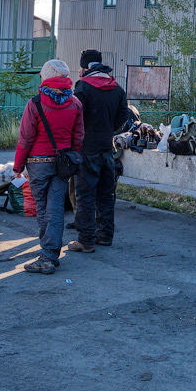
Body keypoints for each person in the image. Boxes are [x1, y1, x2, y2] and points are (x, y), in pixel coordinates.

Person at [12, 59, 84, 275]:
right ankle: (51, 253)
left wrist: (17, 165)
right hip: (63, 163)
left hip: (38, 163)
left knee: (43, 208)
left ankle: (48, 256)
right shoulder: (75, 103)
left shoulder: (35, 103)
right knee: (56, 209)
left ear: (45, 77)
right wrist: (70, 154)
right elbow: (79, 136)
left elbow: (25, 138)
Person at [68, 49, 131, 253]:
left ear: (85, 67)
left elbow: (75, 116)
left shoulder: (83, 87)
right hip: (107, 148)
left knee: (85, 195)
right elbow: (123, 117)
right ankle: (105, 235)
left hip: (86, 149)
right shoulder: (117, 88)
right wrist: (107, 130)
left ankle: (85, 240)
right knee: (106, 194)